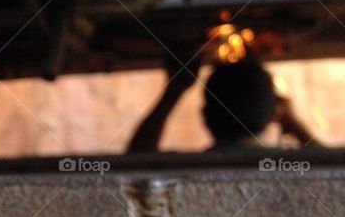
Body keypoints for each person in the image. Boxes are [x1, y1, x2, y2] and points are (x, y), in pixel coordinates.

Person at [127, 55, 322, 152]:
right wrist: (293, 123)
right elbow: (334, 172)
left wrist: (174, 90)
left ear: (204, 116)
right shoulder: (291, 169)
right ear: (276, 115)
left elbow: (137, 158)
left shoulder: (189, 170)